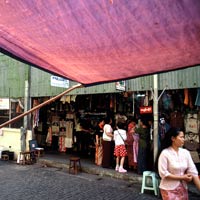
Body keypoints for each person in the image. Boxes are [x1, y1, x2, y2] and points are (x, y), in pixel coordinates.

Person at [158, 127, 200, 200]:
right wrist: (182, 177)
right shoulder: (165, 153)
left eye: (183, 137)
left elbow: (193, 172)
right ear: (173, 138)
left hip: (183, 188)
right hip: (168, 189)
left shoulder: (185, 153)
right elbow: (163, 174)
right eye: (181, 137)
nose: (183, 139)